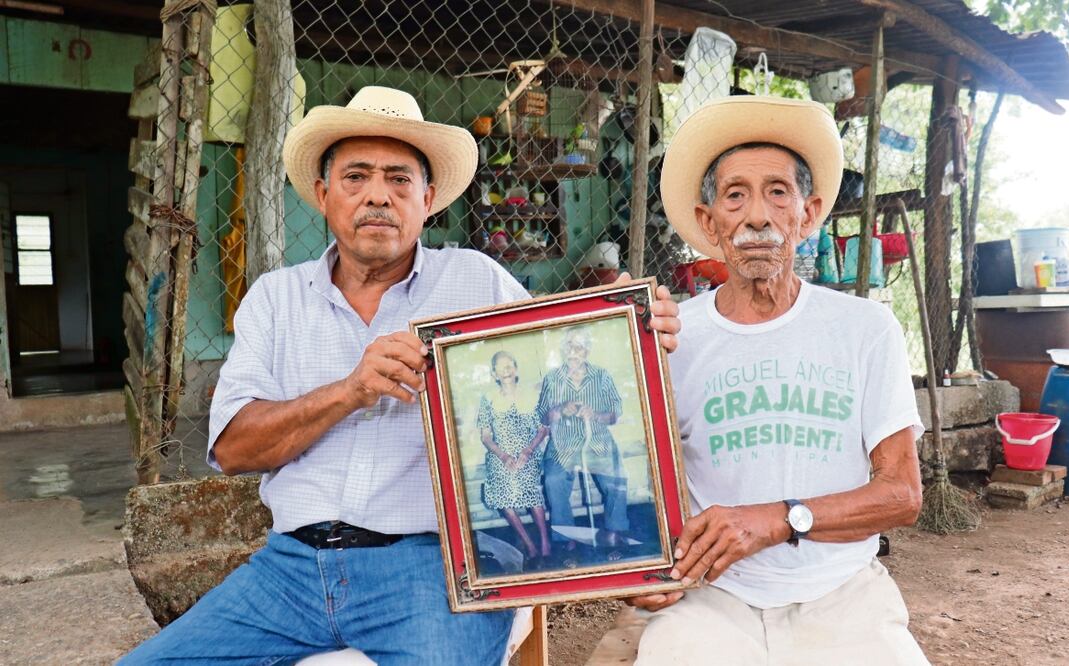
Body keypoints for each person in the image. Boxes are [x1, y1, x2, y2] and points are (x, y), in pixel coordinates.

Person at [120, 86, 681, 665]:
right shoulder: (275, 299)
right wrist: (350, 390)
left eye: (399, 179)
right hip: (287, 572)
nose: (377, 197)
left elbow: (556, 365)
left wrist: (626, 327)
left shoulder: (475, 283)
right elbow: (235, 447)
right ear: (322, 194)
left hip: (429, 570)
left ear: (429, 198)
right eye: (356, 177)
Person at [628, 96, 929, 665]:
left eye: (778, 192)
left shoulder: (865, 328)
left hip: (842, 592)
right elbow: (626, 483)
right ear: (707, 221)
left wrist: (778, 519)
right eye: (736, 195)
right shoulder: (668, 335)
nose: (758, 216)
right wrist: (635, 570)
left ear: (808, 214)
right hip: (712, 597)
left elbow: (902, 495)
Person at [537, 326, 632, 566]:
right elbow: (543, 416)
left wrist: (597, 415)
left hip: (597, 440)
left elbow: (615, 414)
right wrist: (559, 410)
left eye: (578, 347)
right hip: (563, 443)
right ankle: (567, 541)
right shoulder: (552, 378)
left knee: (616, 478)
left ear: (587, 351)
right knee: (554, 480)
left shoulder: (601, 376)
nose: (573, 352)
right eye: (569, 346)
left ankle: (614, 533)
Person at [476, 350, 551, 566]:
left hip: (528, 453)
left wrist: (527, 452)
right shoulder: (487, 400)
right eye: (501, 367)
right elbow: (486, 436)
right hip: (500, 456)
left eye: (509, 365)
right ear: (494, 374)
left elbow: (543, 429)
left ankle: (546, 545)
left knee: (529, 486)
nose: (506, 370)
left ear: (516, 369)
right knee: (500, 492)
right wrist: (503, 456)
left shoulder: (531, 395)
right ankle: (530, 546)